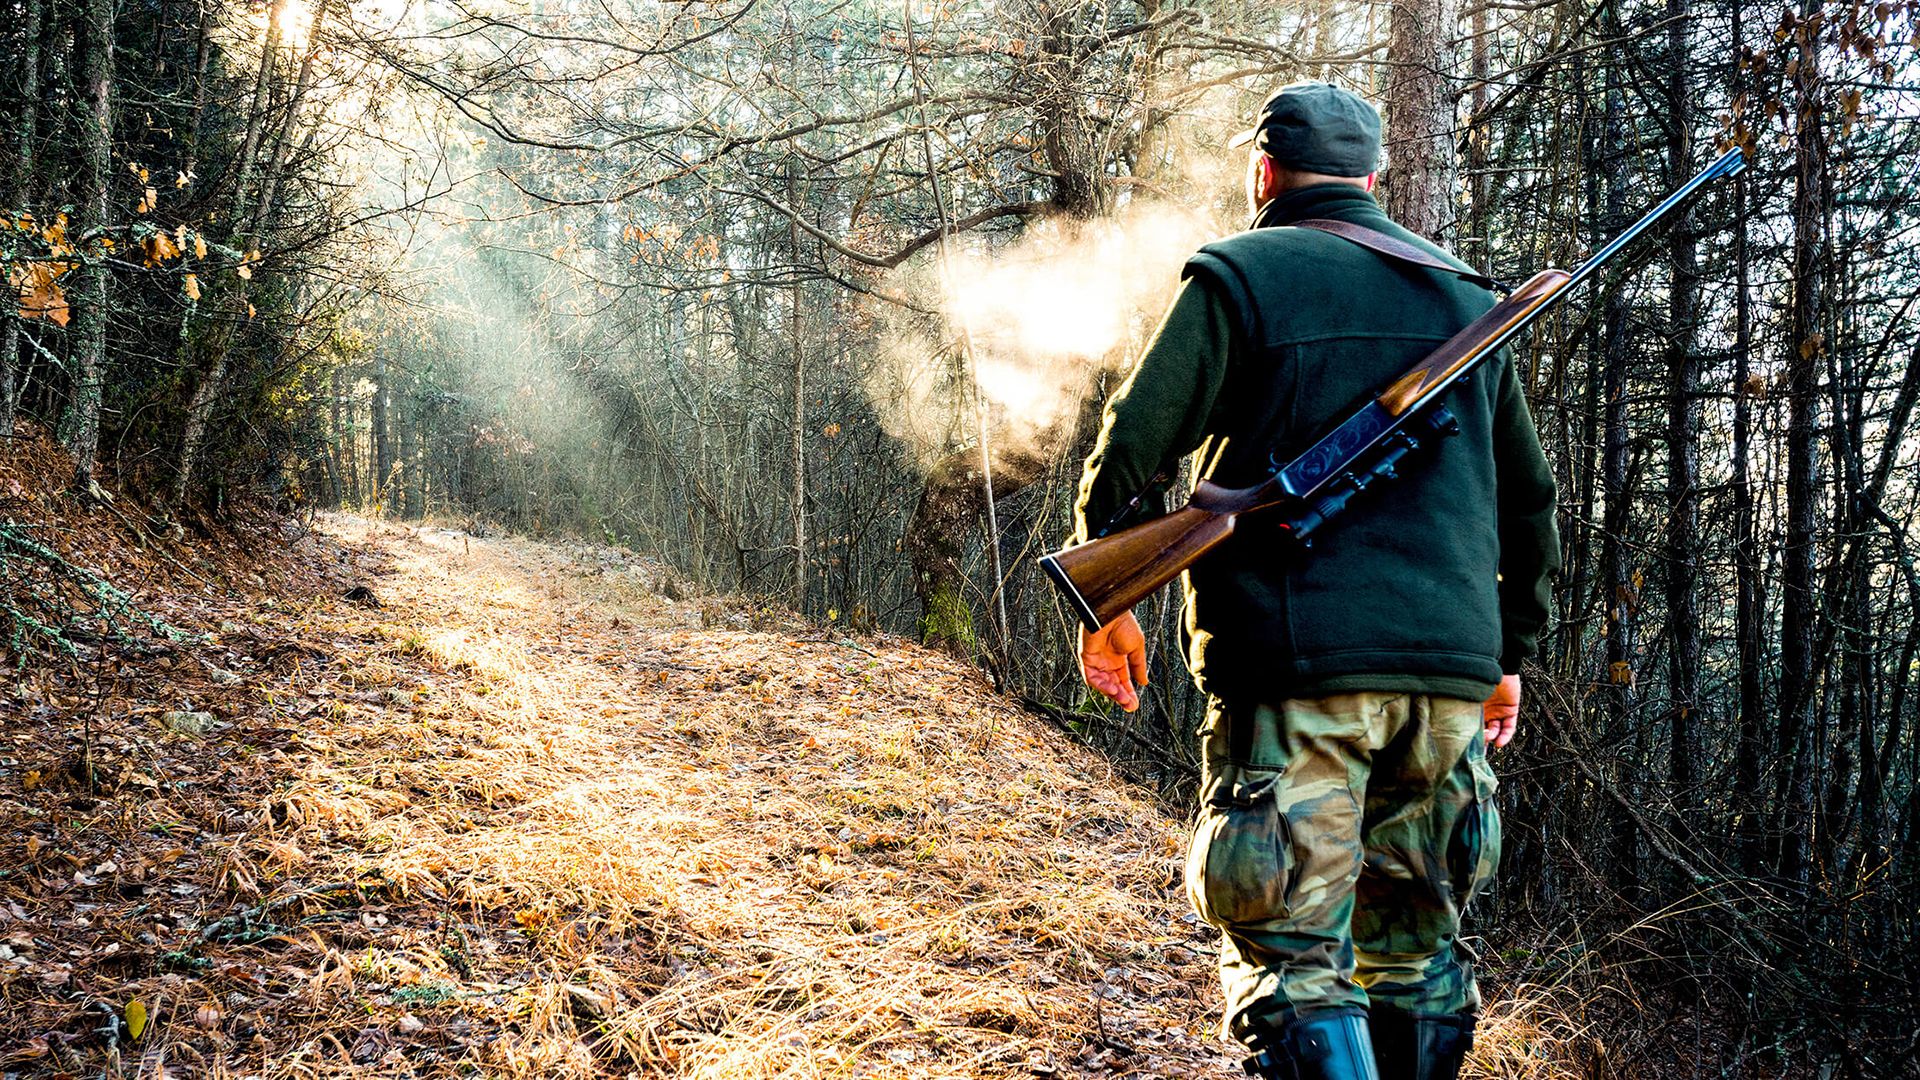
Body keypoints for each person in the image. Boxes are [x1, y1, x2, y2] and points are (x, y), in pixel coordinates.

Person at [1066, 82, 1560, 1080]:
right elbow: (1531, 507)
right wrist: (1503, 656)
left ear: (1264, 174)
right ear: (1374, 179)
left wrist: (1104, 604)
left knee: (1293, 966)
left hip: (1298, 681)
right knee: (1418, 962)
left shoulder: (1239, 276)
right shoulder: (1472, 299)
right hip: (1449, 694)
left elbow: (1132, 451)